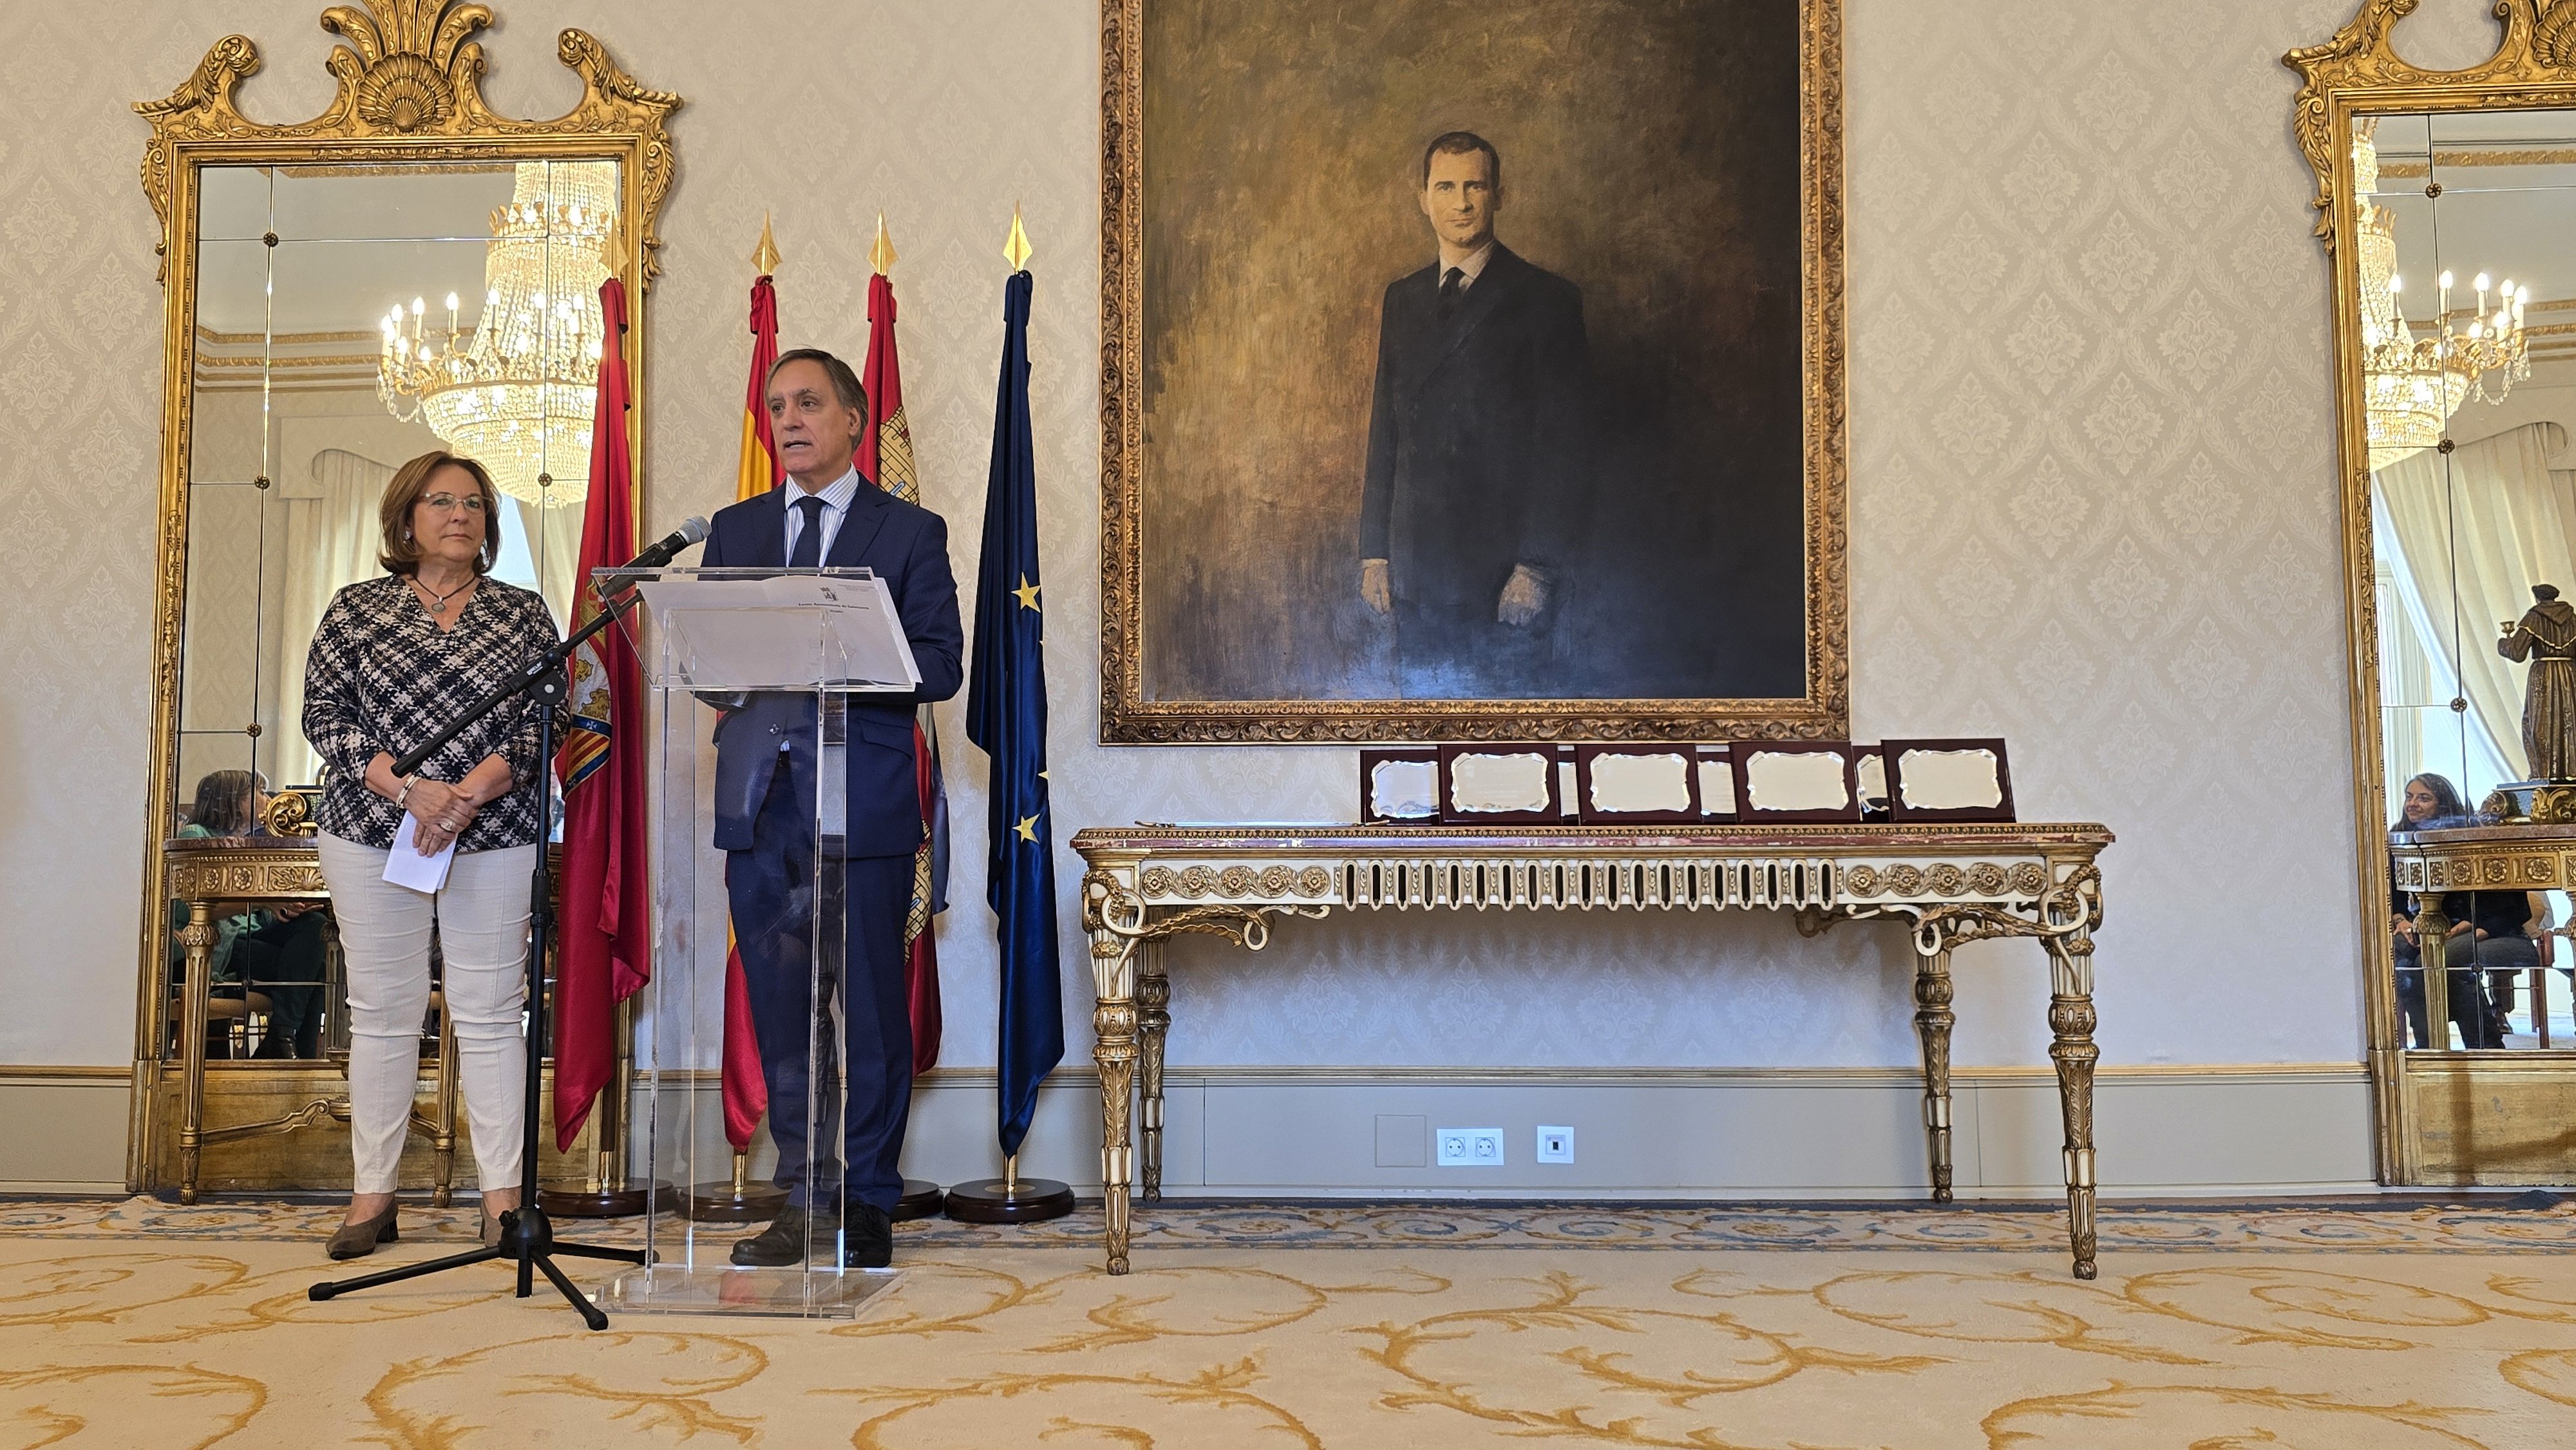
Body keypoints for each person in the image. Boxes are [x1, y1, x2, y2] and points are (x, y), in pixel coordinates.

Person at [700, 348, 963, 1270]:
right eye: (776, 406)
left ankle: (870, 1200)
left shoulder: (909, 532)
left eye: (808, 402)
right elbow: (708, 671)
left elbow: (940, 666)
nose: (789, 420)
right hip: (762, 806)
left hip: (865, 801)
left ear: (854, 419)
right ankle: (806, 1196)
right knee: (786, 1015)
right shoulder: (733, 530)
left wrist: (844, 653)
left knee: (872, 1018)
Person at [301, 451, 563, 1259]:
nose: (460, 514)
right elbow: (324, 714)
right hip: (371, 827)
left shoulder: (523, 613)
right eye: (441, 500)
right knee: (382, 1012)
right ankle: (373, 1196)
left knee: (489, 1013)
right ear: (405, 517)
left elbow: (543, 722)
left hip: (493, 830)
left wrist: (465, 796)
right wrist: (411, 789)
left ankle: (502, 1200)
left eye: (475, 504)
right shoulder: (356, 608)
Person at [1358, 130, 1589, 697]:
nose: (1460, 202)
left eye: (1474, 186)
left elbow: (1565, 447)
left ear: (1498, 195)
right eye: (1446, 187)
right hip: (1417, 567)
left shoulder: (1547, 299)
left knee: (1505, 741)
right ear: (1424, 199)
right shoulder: (1403, 298)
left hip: (1503, 573)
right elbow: (1385, 429)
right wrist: (1374, 553)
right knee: (1424, 727)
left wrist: (1536, 568)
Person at [171, 769, 329, 1059]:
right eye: (256, 792)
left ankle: (281, 1038)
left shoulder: (249, 841)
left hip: (252, 937)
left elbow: (261, 914)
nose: (265, 799)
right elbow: (188, 907)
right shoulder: (197, 834)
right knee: (315, 972)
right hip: (222, 942)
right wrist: (263, 903)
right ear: (231, 800)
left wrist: (285, 907)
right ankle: (290, 1051)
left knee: (315, 926)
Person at [2388, 773, 2501, 1049]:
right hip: (2419, 927)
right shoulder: (2398, 838)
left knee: (2439, 958)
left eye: (2424, 798)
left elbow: (2492, 904)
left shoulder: (2465, 837)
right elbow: (2391, 895)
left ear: (2443, 804)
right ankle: (2428, 1045)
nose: (2412, 804)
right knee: (2400, 952)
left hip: (2471, 926)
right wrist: (2401, 921)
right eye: (2409, 796)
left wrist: (2460, 928)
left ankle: (2484, 1044)